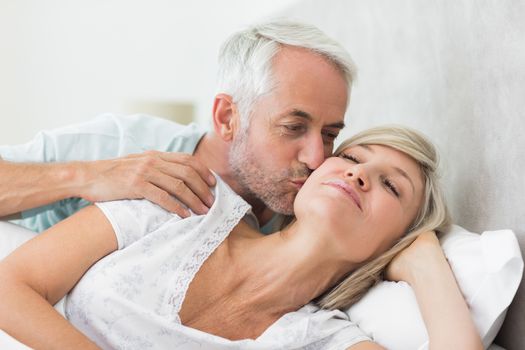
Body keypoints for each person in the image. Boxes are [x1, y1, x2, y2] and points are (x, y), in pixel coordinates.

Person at [0, 126, 483, 349]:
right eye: (354, 158)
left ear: (392, 243)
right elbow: (10, 286)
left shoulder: (318, 340)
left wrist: (424, 262)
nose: (360, 176)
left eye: (391, 186)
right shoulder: (188, 201)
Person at [0, 19, 355, 234]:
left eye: (329, 135)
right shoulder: (122, 145)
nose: (316, 158)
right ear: (227, 118)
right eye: (293, 126)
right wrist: (87, 177)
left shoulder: (313, 209)